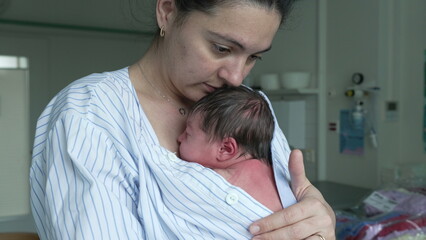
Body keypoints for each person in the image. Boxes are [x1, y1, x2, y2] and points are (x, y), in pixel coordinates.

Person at [30, 0, 336, 239]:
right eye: (222, 48)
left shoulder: (246, 108)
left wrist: (319, 223)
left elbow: (290, 217)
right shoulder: (91, 112)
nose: (236, 76)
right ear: (167, 12)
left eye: (254, 57)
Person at [178, 86, 283, 212]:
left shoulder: (222, 178)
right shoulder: (271, 169)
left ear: (225, 149)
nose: (179, 138)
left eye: (188, 134)